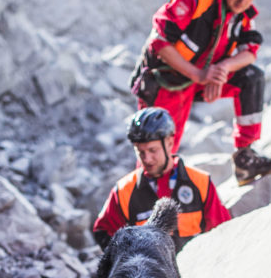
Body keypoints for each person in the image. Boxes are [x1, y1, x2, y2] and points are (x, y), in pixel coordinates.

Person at [128, 0, 271, 186]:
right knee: (158, 152)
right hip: (165, 83)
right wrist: (200, 75)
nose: (242, 1)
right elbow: (160, 43)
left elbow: (249, 52)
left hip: (199, 80)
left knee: (251, 78)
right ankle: (143, 206)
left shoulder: (241, 15)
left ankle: (245, 157)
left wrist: (221, 70)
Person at [93, 107, 231, 252]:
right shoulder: (124, 191)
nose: (147, 159)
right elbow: (103, 232)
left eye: (153, 150)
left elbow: (223, 231)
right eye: (140, 152)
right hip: (150, 274)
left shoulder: (200, 182)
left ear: (170, 142)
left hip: (195, 271)